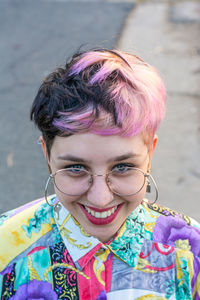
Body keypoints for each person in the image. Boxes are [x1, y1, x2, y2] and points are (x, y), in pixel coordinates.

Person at [0, 48, 199, 300]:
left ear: (150, 154)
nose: (100, 198)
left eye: (122, 167)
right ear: (47, 156)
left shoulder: (190, 251)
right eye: (75, 168)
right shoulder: (4, 249)